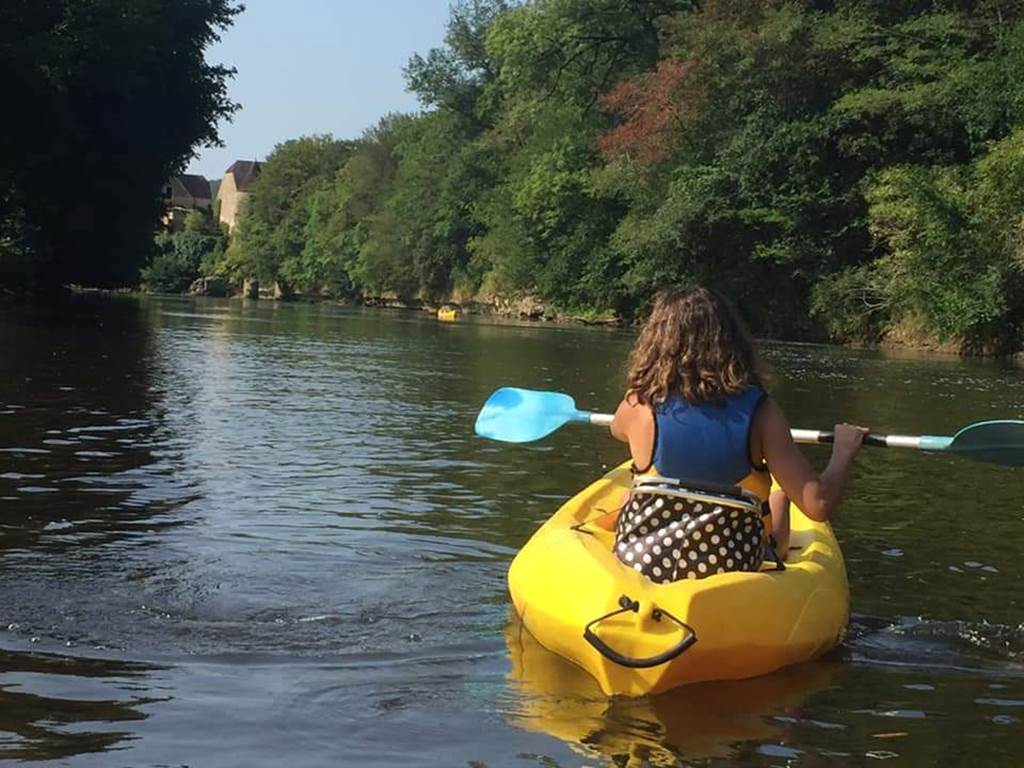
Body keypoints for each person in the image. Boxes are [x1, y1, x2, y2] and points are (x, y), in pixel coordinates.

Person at [609, 287, 866, 572]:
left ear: (655, 342)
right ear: (732, 342)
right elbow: (818, 504)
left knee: (629, 495)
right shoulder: (762, 413)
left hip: (644, 561)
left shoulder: (637, 404)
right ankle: (780, 499)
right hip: (729, 564)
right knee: (776, 501)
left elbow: (617, 431)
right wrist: (844, 450)